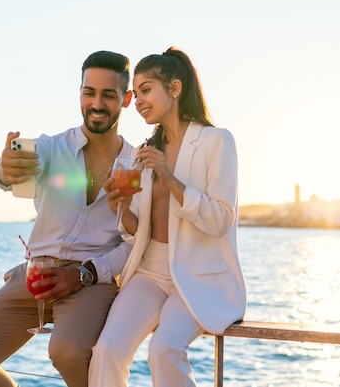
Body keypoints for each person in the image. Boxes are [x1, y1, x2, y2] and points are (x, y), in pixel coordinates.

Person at [0, 50, 135, 387]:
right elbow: (18, 164)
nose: (97, 103)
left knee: (66, 352)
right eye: (89, 92)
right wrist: (5, 167)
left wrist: (85, 275)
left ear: (127, 99)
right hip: (33, 278)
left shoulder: (137, 165)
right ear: (79, 93)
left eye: (109, 94)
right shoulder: (52, 147)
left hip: (90, 282)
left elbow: (135, 244)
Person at [88, 47, 247, 387]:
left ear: (174, 89)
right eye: (137, 91)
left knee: (164, 349)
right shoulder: (145, 150)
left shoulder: (216, 141)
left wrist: (171, 180)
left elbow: (221, 219)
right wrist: (118, 205)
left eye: (146, 89)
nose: (138, 100)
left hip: (196, 276)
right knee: (106, 351)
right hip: (148, 271)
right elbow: (137, 230)